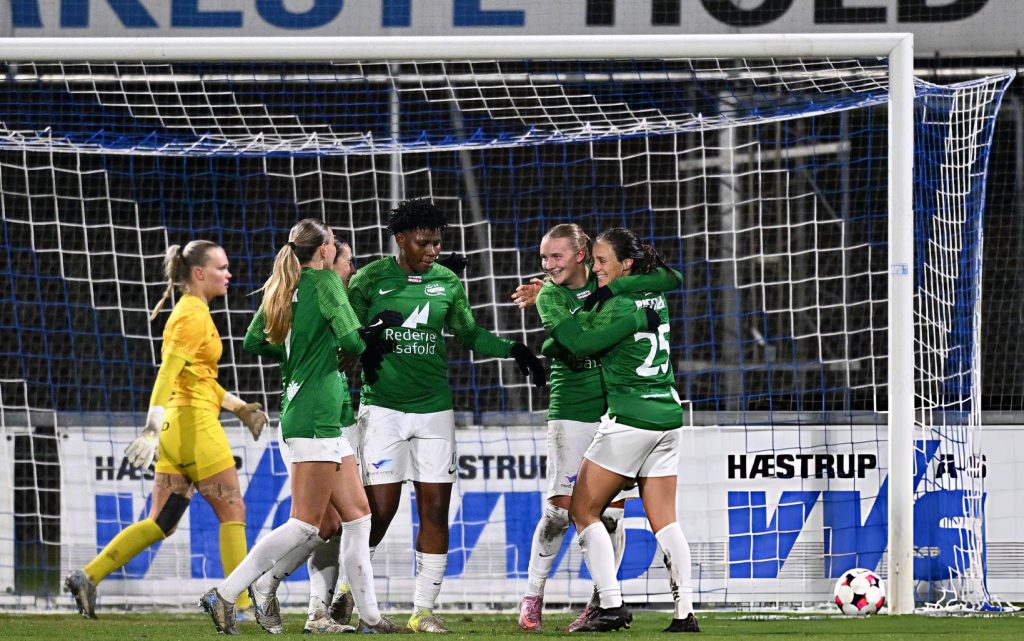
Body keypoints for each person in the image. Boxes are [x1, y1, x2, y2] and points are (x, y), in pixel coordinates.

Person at [346, 198, 546, 634]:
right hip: (382, 409)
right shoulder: (368, 280)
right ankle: (349, 593)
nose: (433, 250)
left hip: (435, 410)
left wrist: (514, 350)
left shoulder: (446, 282)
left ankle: (423, 610)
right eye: (424, 242)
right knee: (379, 510)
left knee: (436, 509)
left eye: (437, 243)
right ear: (400, 239)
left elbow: (469, 332)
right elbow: (345, 337)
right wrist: (366, 340)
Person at [199, 218, 404, 635]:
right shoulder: (324, 283)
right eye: (332, 242)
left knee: (358, 517)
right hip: (314, 414)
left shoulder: (283, 287)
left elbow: (254, 342)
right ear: (324, 250)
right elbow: (352, 342)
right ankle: (225, 594)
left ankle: (371, 617)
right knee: (306, 525)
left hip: (310, 411)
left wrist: (300, 357)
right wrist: (352, 342)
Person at [64, 241, 267, 619]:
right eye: (222, 268)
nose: (229, 274)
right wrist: (150, 428)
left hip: (179, 428)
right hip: (193, 427)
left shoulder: (194, 313)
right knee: (233, 509)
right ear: (199, 273)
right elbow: (167, 374)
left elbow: (199, 379)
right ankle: (238, 604)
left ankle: (88, 576)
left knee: (162, 523)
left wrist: (238, 407)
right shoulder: (191, 316)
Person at [510, 224, 681, 633]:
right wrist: (555, 344)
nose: (548, 266)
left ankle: (601, 600)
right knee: (559, 511)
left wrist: (612, 294)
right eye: (544, 258)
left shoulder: (610, 280)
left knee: (610, 517)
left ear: (583, 256)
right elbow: (576, 344)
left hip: (613, 408)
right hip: (571, 409)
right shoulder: (550, 296)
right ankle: (534, 592)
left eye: (557, 257)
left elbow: (670, 277)